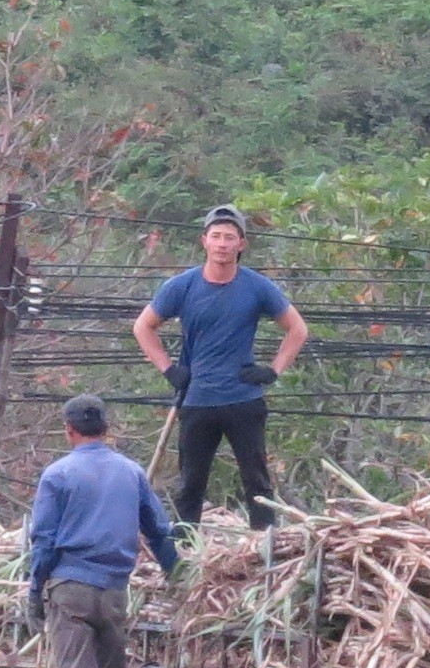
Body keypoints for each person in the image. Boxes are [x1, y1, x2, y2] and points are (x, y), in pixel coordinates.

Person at [23, 395, 179, 668]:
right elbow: (158, 530)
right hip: (113, 590)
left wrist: (35, 590)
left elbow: (43, 540)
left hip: (70, 588)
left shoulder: (58, 474)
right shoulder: (131, 472)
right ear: (106, 429)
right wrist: (176, 574)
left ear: (69, 430)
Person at [132, 205, 308, 530]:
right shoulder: (181, 286)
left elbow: (297, 329)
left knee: (257, 480)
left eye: (230, 237)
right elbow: (143, 327)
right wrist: (169, 370)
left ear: (242, 244)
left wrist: (273, 370)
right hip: (197, 400)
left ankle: (265, 545)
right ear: (205, 241)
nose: (222, 243)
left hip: (243, 398)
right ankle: (185, 547)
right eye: (216, 236)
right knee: (190, 484)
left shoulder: (257, 286)